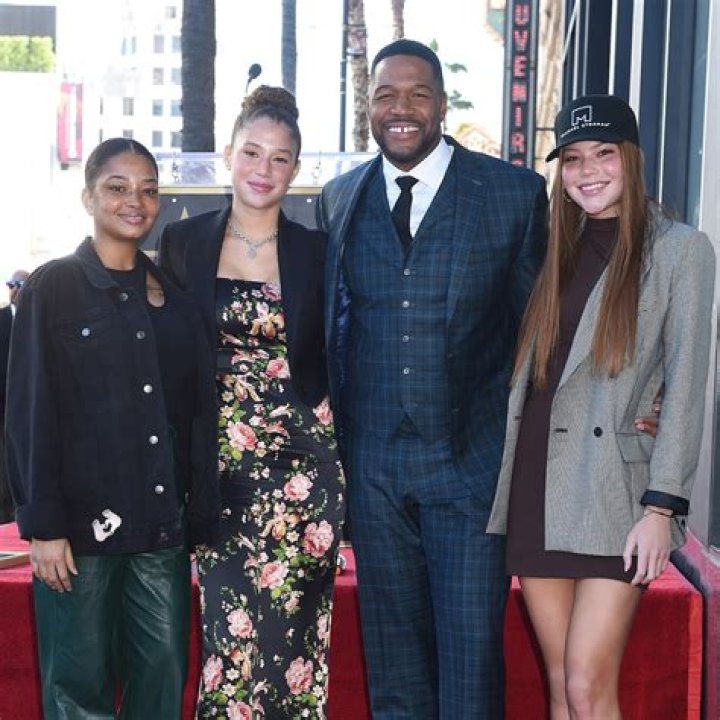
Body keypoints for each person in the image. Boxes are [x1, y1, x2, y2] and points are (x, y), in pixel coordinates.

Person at [317, 39, 548, 717]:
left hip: (471, 469)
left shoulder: (512, 194)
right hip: (375, 472)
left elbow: (542, 336)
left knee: (472, 668)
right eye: (386, 94)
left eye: (418, 94)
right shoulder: (339, 199)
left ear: (443, 104)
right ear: (368, 105)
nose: (402, 108)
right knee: (394, 671)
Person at [487, 94, 715, 718]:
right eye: (573, 159)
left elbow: (687, 382)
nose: (588, 171)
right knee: (563, 685)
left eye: (604, 154)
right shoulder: (553, 247)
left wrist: (662, 508)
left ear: (631, 159)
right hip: (537, 482)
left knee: (589, 685)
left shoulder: (681, 251)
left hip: (617, 491)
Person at [5, 138, 219, 719]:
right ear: (88, 198)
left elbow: (191, 416)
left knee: (162, 679)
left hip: (160, 531)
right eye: (117, 188)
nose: (135, 201)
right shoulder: (52, 287)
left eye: (148, 190)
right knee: (77, 692)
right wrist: (43, 527)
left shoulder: (172, 297)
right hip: (79, 536)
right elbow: (29, 411)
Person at [158, 86, 345, 719]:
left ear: (296, 169)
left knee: (296, 646)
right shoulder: (184, 243)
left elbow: (342, 353)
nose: (263, 169)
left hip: (306, 469)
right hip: (221, 470)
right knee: (230, 643)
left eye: (280, 158)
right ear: (227, 155)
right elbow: (168, 356)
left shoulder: (318, 252)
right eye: (252, 153)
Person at [0, 268, 29, 523]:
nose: (14, 289)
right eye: (11, 284)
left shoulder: (40, 320)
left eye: (20, 284)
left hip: (30, 406)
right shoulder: (1, 319)